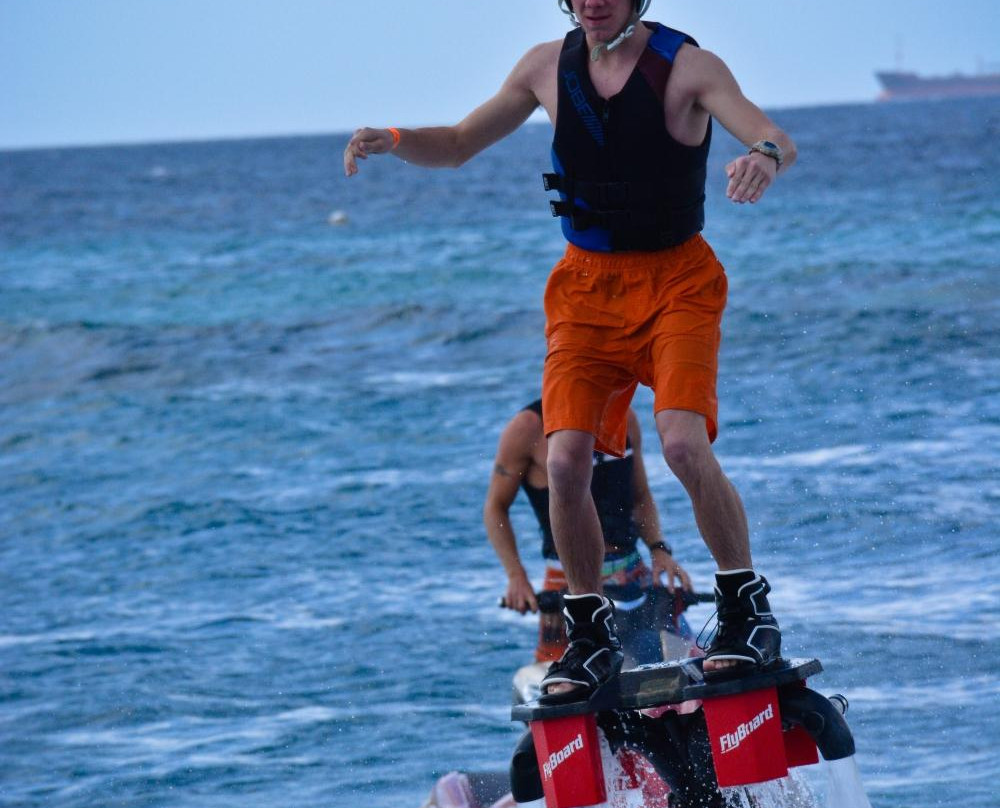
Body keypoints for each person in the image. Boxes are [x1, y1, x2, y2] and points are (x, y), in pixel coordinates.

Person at [344, 0, 796, 698]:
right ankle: (590, 636)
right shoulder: (544, 69)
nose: (591, 1)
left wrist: (763, 158)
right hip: (584, 289)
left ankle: (746, 610)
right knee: (562, 459)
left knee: (680, 444)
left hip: (677, 280)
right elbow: (460, 142)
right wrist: (394, 136)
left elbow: (772, 136)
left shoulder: (687, 68)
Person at [485, 399, 693, 667]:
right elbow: (495, 508)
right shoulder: (527, 428)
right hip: (566, 583)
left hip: (632, 574)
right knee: (565, 682)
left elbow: (640, 496)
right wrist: (516, 576)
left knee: (681, 661)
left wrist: (658, 549)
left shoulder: (624, 415)